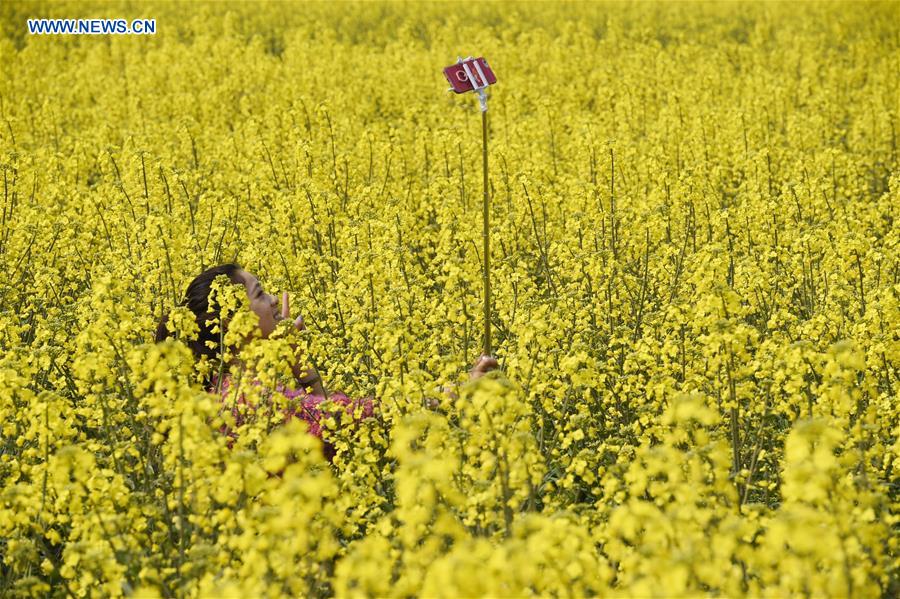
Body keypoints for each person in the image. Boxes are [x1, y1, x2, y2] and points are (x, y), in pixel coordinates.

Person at [155, 264, 499, 459]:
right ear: (233, 323)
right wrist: (458, 392)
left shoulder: (223, 392)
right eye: (260, 293)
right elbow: (356, 420)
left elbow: (322, 420)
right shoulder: (251, 400)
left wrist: (300, 365)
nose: (275, 299)